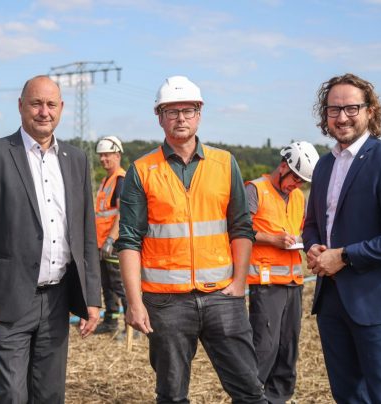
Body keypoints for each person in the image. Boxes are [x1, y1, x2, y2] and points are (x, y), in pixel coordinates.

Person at [117, 75, 266, 403]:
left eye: (188, 110)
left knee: (250, 390)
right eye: (171, 111)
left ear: (199, 113)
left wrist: (240, 282)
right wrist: (134, 302)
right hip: (166, 303)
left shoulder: (225, 163)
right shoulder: (142, 171)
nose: (180, 117)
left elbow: (241, 227)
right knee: (171, 395)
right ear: (159, 117)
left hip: (222, 298)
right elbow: (129, 240)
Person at [0, 75, 101, 403]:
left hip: (57, 301)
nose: (44, 112)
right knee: (11, 395)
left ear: (61, 108)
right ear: (21, 106)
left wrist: (92, 296)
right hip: (7, 301)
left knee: (50, 395)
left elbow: (85, 235)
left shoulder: (76, 160)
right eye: (36, 103)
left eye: (51, 104)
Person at [303, 73, 381, 403]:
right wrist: (313, 246)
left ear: (370, 111)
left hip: (379, 304)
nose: (341, 117)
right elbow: (314, 222)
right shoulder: (324, 165)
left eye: (351, 108)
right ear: (324, 115)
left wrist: (343, 256)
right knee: (347, 397)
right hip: (331, 302)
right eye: (333, 109)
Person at [245, 141, 319, 404]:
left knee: (288, 349)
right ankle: (252, 398)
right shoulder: (256, 189)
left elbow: (302, 230)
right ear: (283, 166)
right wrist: (271, 239)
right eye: (295, 179)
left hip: (293, 282)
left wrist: (309, 246)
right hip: (265, 284)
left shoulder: (298, 197)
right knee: (265, 347)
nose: (297, 185)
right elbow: (239, 230)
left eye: (302, 182)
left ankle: (277, 399)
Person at [93, 135, 128, 335]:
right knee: (106, 284)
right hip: (101, 241)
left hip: (112, 242)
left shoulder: (121, 180)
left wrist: (110, 240)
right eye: (101, 155)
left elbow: (121, 213)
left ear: (117, 155)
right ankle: (110, 321)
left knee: (119, 284)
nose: (103, 159)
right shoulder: (106, 180)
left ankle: (131, 325)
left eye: (107, 155)